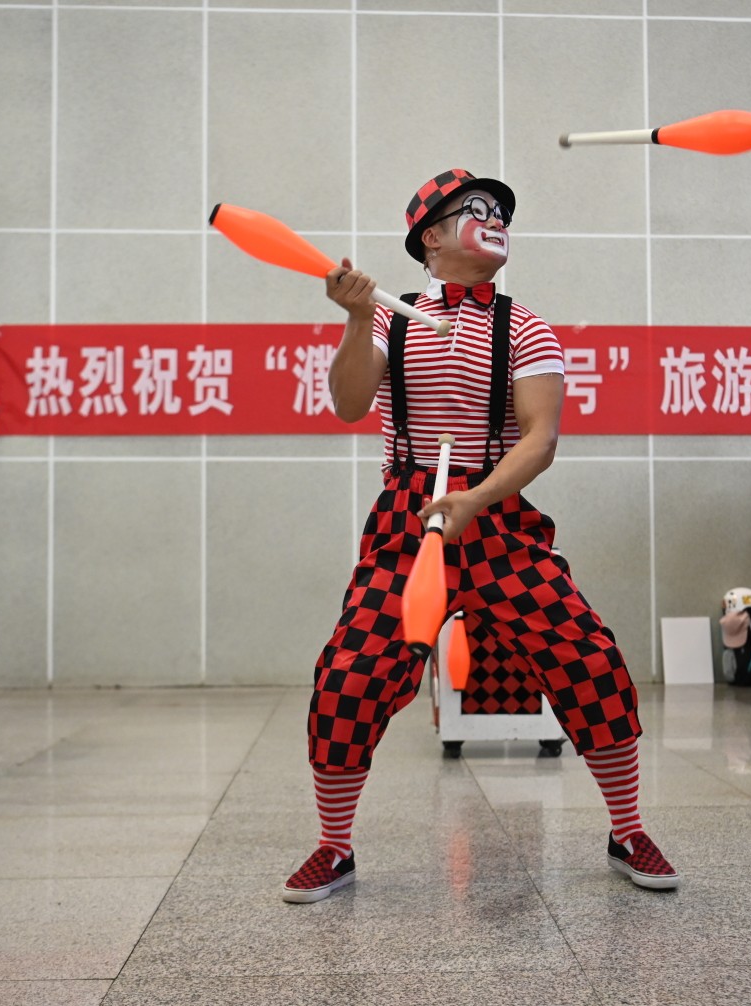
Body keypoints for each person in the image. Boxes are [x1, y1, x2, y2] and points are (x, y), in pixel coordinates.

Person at [283, 169, 677, 903]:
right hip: (408, 518)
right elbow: (349, 403)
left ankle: (628, 831)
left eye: (502, 211)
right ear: (430, 237)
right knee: (349, 678)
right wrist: (355, 319)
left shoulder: (525, 327)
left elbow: (540, 438)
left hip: (497, 513)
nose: (496, 218)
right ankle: (334, 847)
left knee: (588, 659)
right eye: (477, 209)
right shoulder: (391, 318)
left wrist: (477, 497)